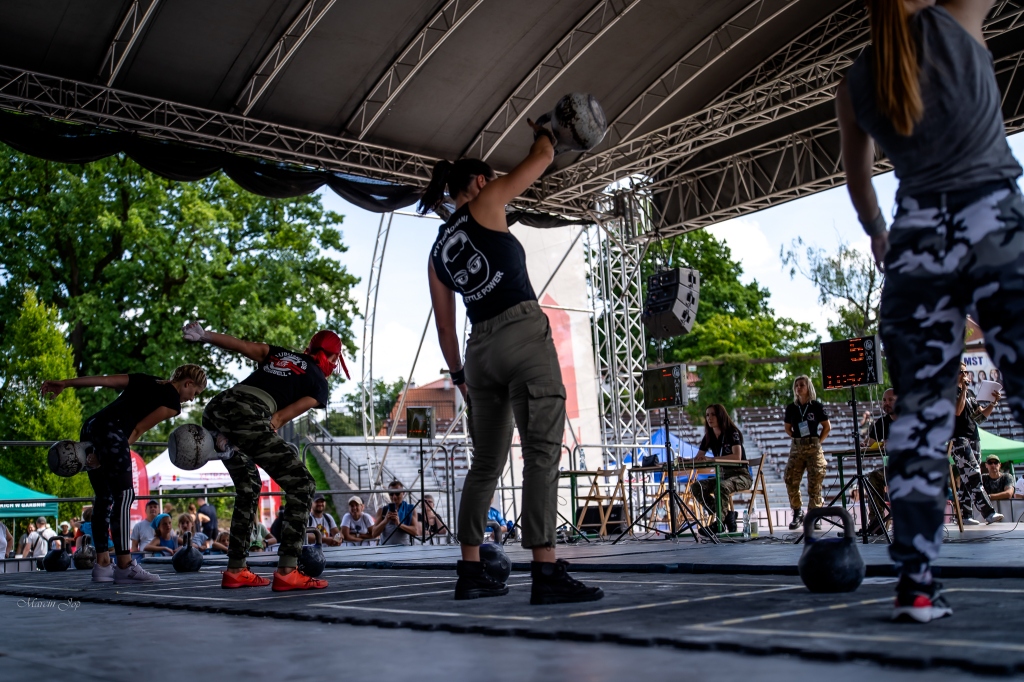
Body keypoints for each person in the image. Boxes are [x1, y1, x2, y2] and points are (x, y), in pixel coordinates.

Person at [837, 0, 1024, 621]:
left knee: (918, 419)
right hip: (992, 221)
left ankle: (916, 584)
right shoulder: (959, 15)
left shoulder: (857, 78)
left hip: (917, 242)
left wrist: (878, 233)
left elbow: (860, 182)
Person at [422, 123, 603, 605]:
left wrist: (460, 377)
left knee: (485, 463)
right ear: (480, 181)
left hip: (478, 350)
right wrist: (549, 132)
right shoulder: (487, 201)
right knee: (541, 451)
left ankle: (470, 571)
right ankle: (545, 571)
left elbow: (445, 329)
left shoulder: (437, 252)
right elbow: (541, 158)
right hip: (520, 333)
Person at [184, 322, 343, 591]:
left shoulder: (282, 354)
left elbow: (243, 346)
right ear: (334, 358)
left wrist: (205, 336)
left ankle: (236, 570)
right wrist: (257, 437)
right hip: (250, 413)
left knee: (249, 485)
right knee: (302, 484)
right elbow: (277, 419)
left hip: (218, 407)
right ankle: (288, 571)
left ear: (309, 348)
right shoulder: (319, 382)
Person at [41, 365, 207, 583]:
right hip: (112, 433)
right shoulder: (172, 402)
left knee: (104, 497)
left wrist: (65, 383)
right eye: (195, 393)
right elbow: (137, 429)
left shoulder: (147, 379)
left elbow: (106, 380)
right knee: (125, 495)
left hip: (92, 425)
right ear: (187, 383)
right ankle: (124, 565)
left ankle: (102, 565)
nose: (192, 398)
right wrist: (109, 451)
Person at [952, 362, 1003, 525]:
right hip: (959, 438)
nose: (965, 374)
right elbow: (957, 411)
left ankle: (965, 515)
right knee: (973, 473)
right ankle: (988, 513)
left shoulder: (971, 393)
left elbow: (979, 417)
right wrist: (963, 390)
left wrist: (993, 403)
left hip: (974, 437)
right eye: (961, 372)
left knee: (967, 477)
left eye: (965, 372)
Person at [690, 404, 753, 535]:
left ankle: (719, 522)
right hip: (723, 476)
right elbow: (699, 458)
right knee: (696, 487)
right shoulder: (709, 436)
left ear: (721, 416)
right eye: (707, 415)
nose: (709, 418)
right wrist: (684, 461)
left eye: (713, 414)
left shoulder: (732, 432)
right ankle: (727, 514)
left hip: (741, 476)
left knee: (721, 487)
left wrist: (712, 459)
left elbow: (737, 457)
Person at [782, 376, 831, 531]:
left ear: (808, 387)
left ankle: (814, 515)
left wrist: (817, 442)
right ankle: (797, 512)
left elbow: (827, 427)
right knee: (790, 479)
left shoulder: (816, 406)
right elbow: (787, 428)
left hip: (813, 447)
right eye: (796, 385)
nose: (798, 388)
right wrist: (797, 440)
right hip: (797, 447)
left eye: (802, 385)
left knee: (815, 480)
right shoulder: (791, 408)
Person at [863, 388, 898, 534]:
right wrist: (876, 443)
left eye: (890, 400)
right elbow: (871, 442)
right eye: (884, 400)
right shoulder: (882, 422)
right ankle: (876, 523)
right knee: (873, 477)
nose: (886, 403)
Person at [372, 480, 420, 546]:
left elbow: (415, 531)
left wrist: (399, 524)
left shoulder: (410, 509)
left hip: (404, 548)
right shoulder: (382, 510)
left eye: (397, 493)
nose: (394, 497)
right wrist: (385, 521)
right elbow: (374, 534)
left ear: (403, 493)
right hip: (385, 548)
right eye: (391, 494)